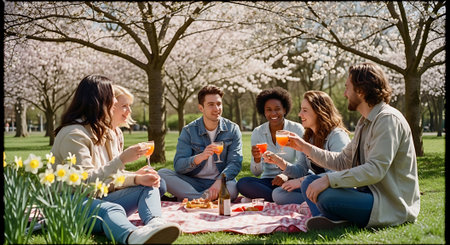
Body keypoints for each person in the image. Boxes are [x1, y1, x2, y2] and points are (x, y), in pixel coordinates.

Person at [284, 62, 420, 230]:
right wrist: (304, 147)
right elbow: (343, 161)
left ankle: (331, 219)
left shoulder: (387, 120)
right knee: (310, 183)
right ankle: (332, 220)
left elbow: (375, 169)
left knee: (325, 196)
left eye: (348, 88)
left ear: (361, 91)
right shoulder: (364, 122)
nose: (344, 93)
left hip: (388, 204)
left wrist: (329, 179)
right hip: (366, 195)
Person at [51, 75, 181, 244]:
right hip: (71, 203)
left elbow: (108, 179)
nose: (114, 103)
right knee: (112, 209)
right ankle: (133, 237)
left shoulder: (101, 130)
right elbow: (85, 183)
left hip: (98, 198)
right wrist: (122, 160)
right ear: (99, 101)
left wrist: (136, 178)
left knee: (147, 186)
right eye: (111, 98)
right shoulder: (74, 135)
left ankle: (156, 224)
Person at [158, 85, 243, 202]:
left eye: (219, 104)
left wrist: (220, 181)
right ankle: (204, 198)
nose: (216, 108)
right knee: (162, 174)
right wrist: (200, 157)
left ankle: (191, 197)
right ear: (201, 108)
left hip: (220, 181)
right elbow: (178, 165)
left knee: (233, 189)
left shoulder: (233, 129)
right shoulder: (189, 130)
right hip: (193, 181)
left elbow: (235, 163)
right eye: (211, 104)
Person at [269, 90, 350, 205]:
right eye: (301, 109)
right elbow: (301, 169)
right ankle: (314, 202)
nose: (300, 114)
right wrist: (280, 162)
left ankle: (316, 202)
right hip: (314, 186)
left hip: (336, 188)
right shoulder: (308, 137)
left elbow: (340, 172)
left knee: (310, 189)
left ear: (319, 112)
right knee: (278, 194)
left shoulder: (337, 135)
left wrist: (302, 181)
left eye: (305, 110)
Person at [236, 87, 305, 202]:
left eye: (277, 109)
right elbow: (256, 172)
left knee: (301, 185)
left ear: (284, 109)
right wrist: (257, 159)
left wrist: (286, 176)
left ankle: (266, 197)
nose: (273, 113)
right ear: (264, 111)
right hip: (268, 181)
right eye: (268, 109)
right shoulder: (258, 132)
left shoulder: (296, 129)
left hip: (291, 179)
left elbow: (302, 164)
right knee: (243, 183)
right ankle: (279, 197)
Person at [111, 84, 167, 197]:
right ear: (110, 106)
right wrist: (136, 178)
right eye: (124, 106)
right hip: (108, 190)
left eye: (129, 106)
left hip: (117, 182)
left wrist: (135, 174)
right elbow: (106, 174)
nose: (129, 111)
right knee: (149, 187)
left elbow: (118, 172)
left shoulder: (118, 133)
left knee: (161, 184)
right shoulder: (98, 134)